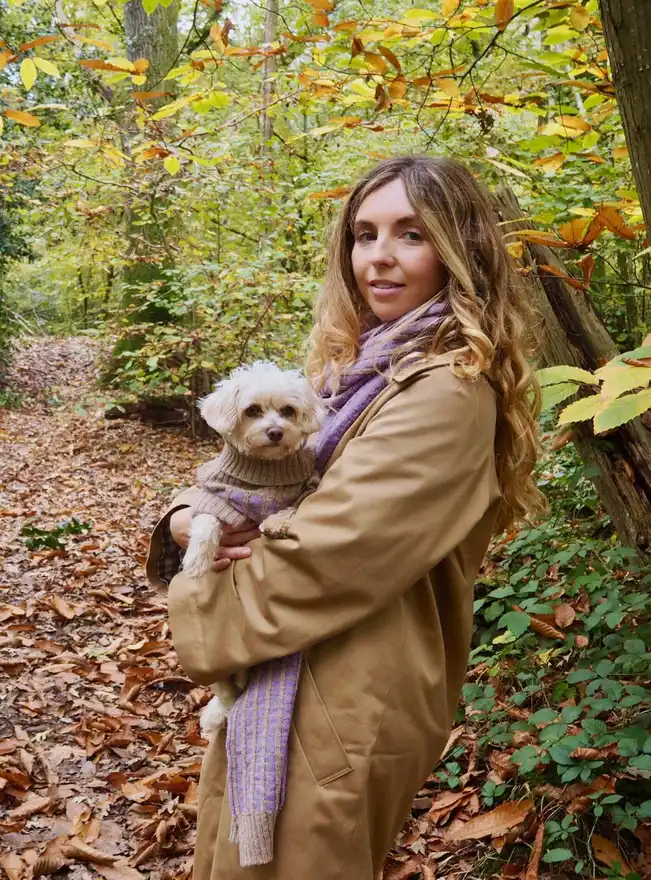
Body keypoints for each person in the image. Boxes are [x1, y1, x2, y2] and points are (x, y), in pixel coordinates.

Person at [146, 155, 544, 880]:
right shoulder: (359, 371)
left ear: (461, 251)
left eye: (411, 235)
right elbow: (260, 480)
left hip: (349, 695)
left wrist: (195, 597)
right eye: (365, 234)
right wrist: (181, 517)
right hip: (296, 672)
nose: (380, 258)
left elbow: (322, 554)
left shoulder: (445, 393)